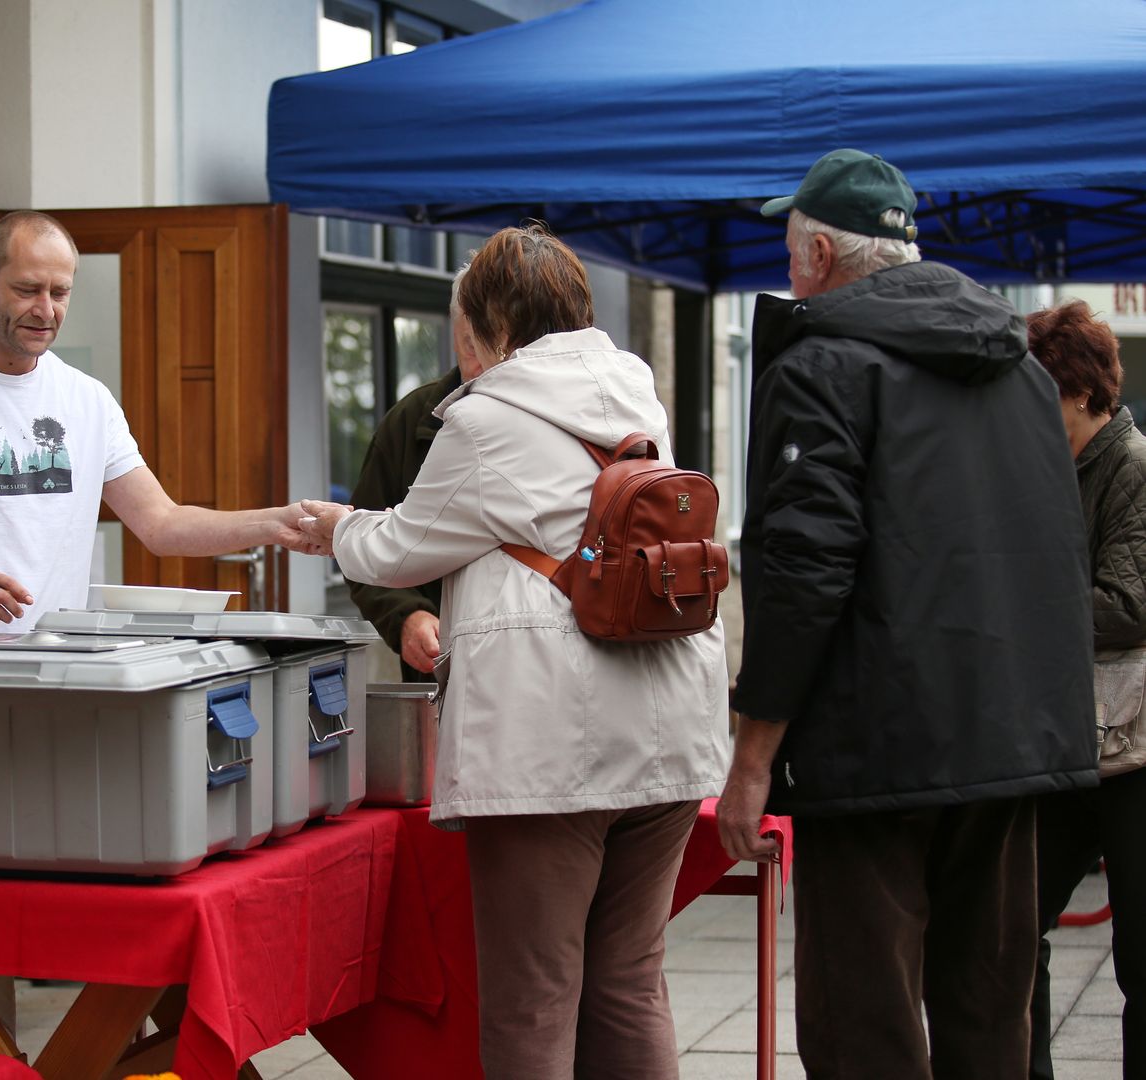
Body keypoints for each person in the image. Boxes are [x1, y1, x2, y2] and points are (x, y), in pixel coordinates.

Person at [302, 225, 729, 1080]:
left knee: (534, 996)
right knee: (631, 984)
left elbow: (397, 552)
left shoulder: (487, 419)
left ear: (489, 325)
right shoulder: (635, 401)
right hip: (674, 728)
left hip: (551, 746)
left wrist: (336, 527)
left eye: (463, 330)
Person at [715, 149, 1097, 1078]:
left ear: (814, 255)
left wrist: (752, 753)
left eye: (790, 247)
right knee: (988, 1017)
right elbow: (1053, 556)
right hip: (1010, 741)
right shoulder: (1020, 374)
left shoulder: (821, 366)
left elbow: (804, 568)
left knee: (864, 1027)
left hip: (876, 748)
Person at [0, 211, 334, 638]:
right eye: (27, 289)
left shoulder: (88, 399)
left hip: (61, 661)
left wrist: (275, 523)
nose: (46, 309)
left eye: (60, 292)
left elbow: (161, 524)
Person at [1025, 300, 1146, 1080]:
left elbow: (1130, 607)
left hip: (1134, 753)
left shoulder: (1133, 467)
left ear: (1081, 393)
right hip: (1064, 744)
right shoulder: (1051, 465)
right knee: (1008, 934)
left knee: (1139, 961)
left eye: (1040, 400)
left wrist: (1021, 603)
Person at [345, 266, 485, 678]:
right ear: (453, 331)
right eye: (468, 346)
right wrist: (406, 616)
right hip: (438, 673)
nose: (479, 366)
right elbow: (363, 547)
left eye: (491, 348)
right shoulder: (410, 420)